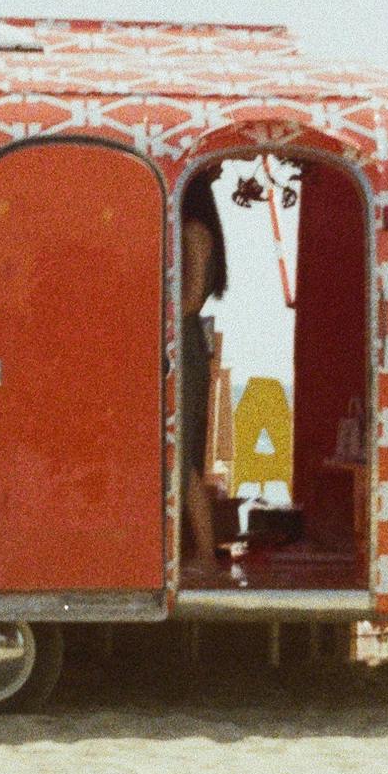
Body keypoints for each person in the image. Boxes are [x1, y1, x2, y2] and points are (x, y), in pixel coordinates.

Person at [177, 180, 229, 573]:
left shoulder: (194, 231)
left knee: (185, 452)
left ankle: (206, 553)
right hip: (184, 342)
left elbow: (191, 298)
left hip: (183, 342)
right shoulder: (197, 229)